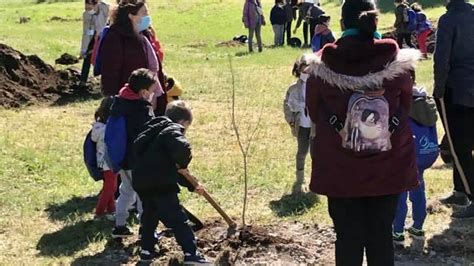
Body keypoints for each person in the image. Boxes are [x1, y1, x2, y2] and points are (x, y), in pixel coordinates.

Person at [305, 0, 419, 264]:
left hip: (339, 167)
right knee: (381, 236)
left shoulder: (322, 67)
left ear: (343, 24)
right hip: (387, 167)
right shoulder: (396, 63)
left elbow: (313, 112)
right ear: (375, 21)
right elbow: (406, 107)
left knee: (347, 238)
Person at [132, 100, 209, 264]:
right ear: (183, 122)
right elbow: (182, 151)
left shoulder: (152, 130)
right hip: (161, 184)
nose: (185, 131)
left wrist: (193, 186)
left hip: (142, 181)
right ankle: (191, 254)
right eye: (186, 127)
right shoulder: (173, 131)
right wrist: (183, 163)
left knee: (149, 218)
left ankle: (146, 251)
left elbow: (170, 166)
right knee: (178, 219)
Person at [433, 0, 474, 218]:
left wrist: (438, 89)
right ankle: (460, 190)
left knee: (459, 146)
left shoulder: (448, 20)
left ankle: (471, 194)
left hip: (457, 90)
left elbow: (441, 59)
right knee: (462, 144)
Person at [110, 68, 155, 238]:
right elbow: (147, 136)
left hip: (121, 158)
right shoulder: (141, 110)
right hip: (137, 160)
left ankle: (119, 226)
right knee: (144, 195)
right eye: (151, 91)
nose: (152, 94)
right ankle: (146, 230)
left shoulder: (119, 102)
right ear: (144, 92)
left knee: (126, 191)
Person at [100, 1, 167, 116]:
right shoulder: (115, 38)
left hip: (148, 98)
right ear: (131, 16)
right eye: (144, 12)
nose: (148, 16)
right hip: (127, 102)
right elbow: (110, 72)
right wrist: (113, 101)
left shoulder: (145, 35)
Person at [393, 83, 439, 245]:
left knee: (400, 192)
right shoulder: (427, 107)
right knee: (418, 187)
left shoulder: (406, 108)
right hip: (425, 155)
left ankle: (397, 230)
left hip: (406, 156)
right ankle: (418, 226)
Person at [283, 55, 313, 193]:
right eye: (303, 71)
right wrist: (291, 121)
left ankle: (315, 180)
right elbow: (287, 105)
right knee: (301, 152)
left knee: (315, 154)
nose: (306, 73)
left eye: (309, 71)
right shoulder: (294, 88)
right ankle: (300, 179)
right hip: (301, 125)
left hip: (315, 127)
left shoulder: (318, 87)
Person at [91, 96, 117, 221]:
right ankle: (99, 212)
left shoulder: (98, 127)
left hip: (105, 161)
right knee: (110, 187)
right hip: (109, 161)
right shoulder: (107, 129)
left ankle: (112, 210)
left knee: (110, 185)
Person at [80, 0, 110, 86]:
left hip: (108, 34)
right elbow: (86, 33)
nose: (88, 9)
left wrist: (101, 36)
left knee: (106, 57)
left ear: (97, 4)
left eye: (90, 7)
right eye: (86, 7)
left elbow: (111, 23)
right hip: (95, 34)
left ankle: (106, 80)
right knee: (87, 56)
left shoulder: (106, 8)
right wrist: (84, 50)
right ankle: (82, 81)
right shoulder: (86, 15)